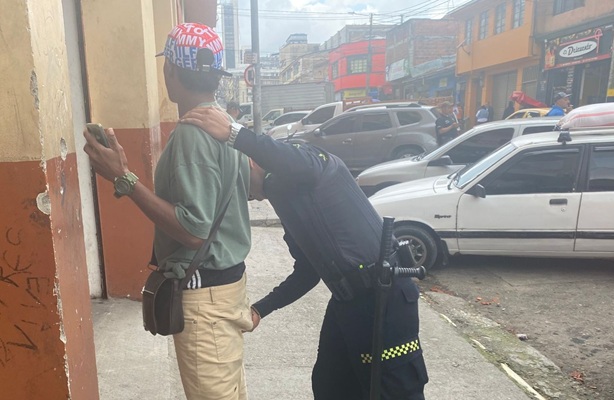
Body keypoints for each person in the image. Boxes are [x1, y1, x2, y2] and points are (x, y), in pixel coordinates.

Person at [181, 107, 429, 400]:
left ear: (249, 160)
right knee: (330, 384)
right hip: (347, 304)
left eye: (239, 182)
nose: (246, 196)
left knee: (394, 391)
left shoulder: (309, 164)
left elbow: (303, 165)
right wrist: (262, 309)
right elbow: (308, 271)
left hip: (384, 300)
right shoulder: (285, 194)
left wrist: (236, 135)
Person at [84, 23, 253, 400]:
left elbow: (194, 230)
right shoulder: (227, 126)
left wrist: (123, 178)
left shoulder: (193, 134)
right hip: (226, 288)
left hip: (206, 299)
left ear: (171, 70)